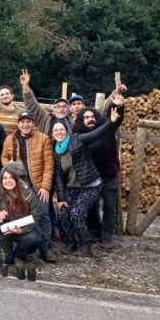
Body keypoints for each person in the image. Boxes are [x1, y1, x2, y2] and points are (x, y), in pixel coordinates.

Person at [52, 103, 122, 256]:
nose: (59, 132)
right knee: (63, 213)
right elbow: (58, 175)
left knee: (76, 213)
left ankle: (85, 245)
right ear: (52, 133)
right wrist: (61, 198)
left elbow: (96, 134)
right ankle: (71, 242)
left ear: (67, 131)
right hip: (73, 188)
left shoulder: (77, 139)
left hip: (90, 185)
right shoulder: (55, 149)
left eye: (61, 130)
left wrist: (111, 121)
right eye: (56, 130)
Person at [0, 111, 57, 263]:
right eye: (22, 121)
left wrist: (45, 187)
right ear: (18, 124)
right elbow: (4, 157)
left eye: (28, 121)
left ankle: (46, 246)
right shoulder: (10, 139)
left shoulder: (43, 138)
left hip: (38, 184)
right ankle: (26, 243)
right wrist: (10, 167)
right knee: (21, 214)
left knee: (43, 214)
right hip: (19, 184)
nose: (25, 124)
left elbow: (49, 164)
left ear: (33, 123)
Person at [73, 98, 126, 249]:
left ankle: (107, 236)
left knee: (109, 206)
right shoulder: (78, 134)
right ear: (82, 120)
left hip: (109, 175)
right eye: (86, 117)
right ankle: (94, 231)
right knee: (91, 207)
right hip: (91, 177)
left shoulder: (106, 128)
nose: (90, 119)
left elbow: (116, 119)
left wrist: (119, 106)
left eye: (92, 116)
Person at [0, 163, 42, 269]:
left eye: (11, 177)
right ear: (1, 180)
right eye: (5, 178)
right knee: (2, 260)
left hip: (19, 227)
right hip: (0, 230)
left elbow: (36, 216)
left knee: (34, 238)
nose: (8, 181)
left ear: (17, 179)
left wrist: (22, 230)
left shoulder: (28, 193)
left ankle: (19, 256)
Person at [19, 69, 73, 136]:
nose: (61, 109)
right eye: (58, 106)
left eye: (64, 107)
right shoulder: (44, 117)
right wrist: (25, 85)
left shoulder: (73, 122)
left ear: (68, 109)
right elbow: (31, 104)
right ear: (54, 108)